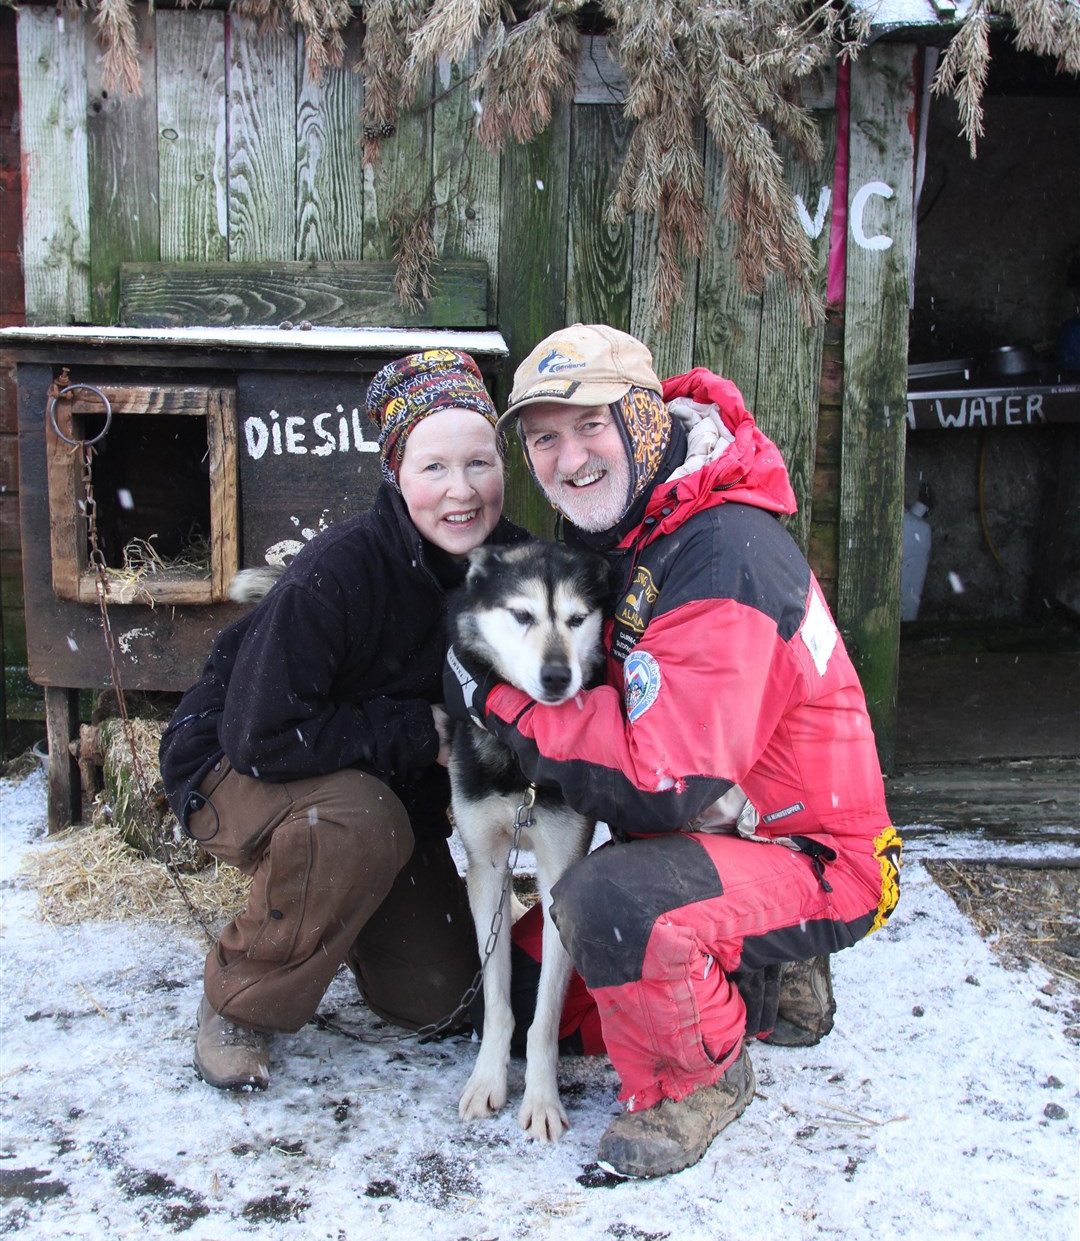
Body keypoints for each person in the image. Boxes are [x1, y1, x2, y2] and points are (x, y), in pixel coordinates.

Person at [444, 323, 902, 1178]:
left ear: (646, 421)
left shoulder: (720, 550)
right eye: (545, 437)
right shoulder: (633, 529)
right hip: (737, 826)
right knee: (534, 998)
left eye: (591, 426)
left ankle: (699, 1077)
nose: (569, 457)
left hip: (815, 853)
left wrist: (501, 703)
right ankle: (776, 976)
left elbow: (664, 782)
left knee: (609, 905)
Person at [160, 348, 525, 1090]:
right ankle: (242, 1002)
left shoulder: (517, 567)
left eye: (479, 463)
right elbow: (259, 732)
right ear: (396, 472)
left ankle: (332, 911)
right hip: (235, 765)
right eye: (433, 468)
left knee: (438, 998)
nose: (461, 491)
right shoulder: (340, 571)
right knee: (356, 824)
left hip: (382, 796)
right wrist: (424, 735)